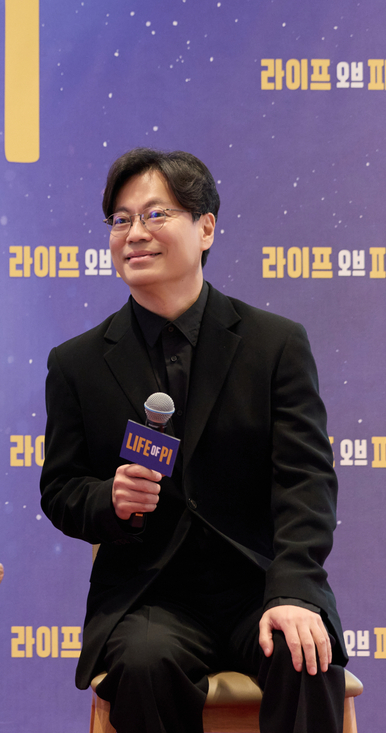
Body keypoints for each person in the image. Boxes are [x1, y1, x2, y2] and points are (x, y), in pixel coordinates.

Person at [39, 149, 347, 733]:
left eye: (156, 215)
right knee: (144, 663)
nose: (135, 234)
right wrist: (112, 499)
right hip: (150, 595)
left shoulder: (273, 344)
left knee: (304, 651)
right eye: (121, 220)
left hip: (262, 581)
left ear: (205, 227)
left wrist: (296, 592)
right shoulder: (76, 363)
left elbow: (306, 481)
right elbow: (61, 490)